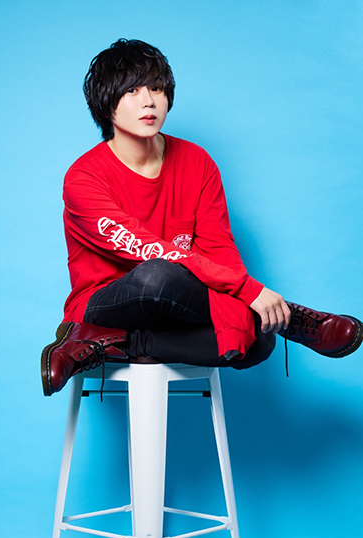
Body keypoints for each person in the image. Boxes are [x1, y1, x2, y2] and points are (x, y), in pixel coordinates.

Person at [41, 39, 362, 396]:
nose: (149, 101)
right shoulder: (83, 178)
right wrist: (250, 292)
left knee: (257, 341)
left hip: (178, 304)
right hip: (109, 302)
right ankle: (290, 318)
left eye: (156, 88)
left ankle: (115, 342)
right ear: (105, 105)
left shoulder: (197, 161)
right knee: (159, 275)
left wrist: (247, 297)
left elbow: (219, 248)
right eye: (132, 90)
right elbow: (148, 250)